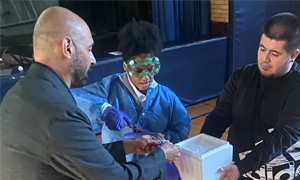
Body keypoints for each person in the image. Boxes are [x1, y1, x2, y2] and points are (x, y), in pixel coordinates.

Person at [0, 6, 182, 180]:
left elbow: (78, 156)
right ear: (67, 47)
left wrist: (127, 146)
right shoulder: (60, 113)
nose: (94, 60)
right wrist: (160, 157)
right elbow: (115, 177)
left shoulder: (19, 94)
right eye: (89, 49)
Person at [201, 12, 300, 180]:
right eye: (262, 49)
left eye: (274, 54)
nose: (264, 59)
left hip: (284, 167)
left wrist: (242, 168)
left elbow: (282, 138)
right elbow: (220, 116)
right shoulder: (242, 77)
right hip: (243, 162)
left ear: (293, 55)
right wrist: (200, 147)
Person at [71, 19, 191, 147]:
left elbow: (182, 126)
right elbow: (74, 98)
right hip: (119, 162)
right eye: (138, 70)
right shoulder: (109, 87)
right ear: (126, 67)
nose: (146, 77)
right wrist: (103, 108)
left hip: (153, 162)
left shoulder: (167, 97)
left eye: (150, 69)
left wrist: (162, 139)